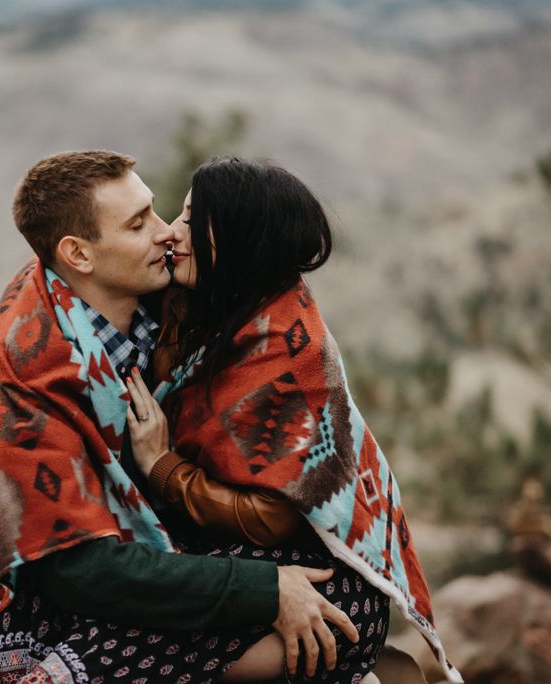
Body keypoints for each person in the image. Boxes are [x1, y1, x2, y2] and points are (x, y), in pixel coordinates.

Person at [0, 150, 359, 684]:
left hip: (160, 546)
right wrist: (266, 591)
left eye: (158, 211)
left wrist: (167, 471)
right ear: (79, 255)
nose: (166, 233)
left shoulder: (168, 302)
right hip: (61, 587)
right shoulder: (33, 373)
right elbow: (75, 570)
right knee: (330, 615)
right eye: (139, 224)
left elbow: (261, 271)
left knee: (346, 591)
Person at [122, 158, 463, 683]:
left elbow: (270, 518)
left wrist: (161, 467)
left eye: (191, 219)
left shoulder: (287, 349)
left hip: (320, 577)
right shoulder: (195, 307)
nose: (172, 231)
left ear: (236, 239)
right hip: (234, 555)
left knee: (130, 653)